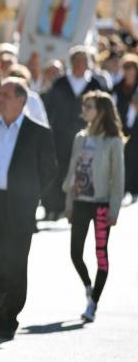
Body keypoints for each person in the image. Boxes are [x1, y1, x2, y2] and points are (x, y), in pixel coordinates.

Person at [0, 79, 57, 340]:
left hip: (18, 207)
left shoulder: (38, 131)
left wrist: (29, 196)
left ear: (21, 100)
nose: (1, 99)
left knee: (14, 263)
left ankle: (9, 318)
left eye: (7, 95)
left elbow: (49, 170)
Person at [63, 91, 124, 322]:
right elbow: (72, 171)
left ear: (101, 111)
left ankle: (94, 302)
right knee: (75, 253)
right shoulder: (80, 138)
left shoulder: (113, 141)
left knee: (101, 255)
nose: (84, 110)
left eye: (89, 107)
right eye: (84, 106)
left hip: (101, 206)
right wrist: (69, 203)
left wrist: (114, 210)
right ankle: (88, 286)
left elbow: (118, 179)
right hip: (80, 202)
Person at [42, 46, 107, 220]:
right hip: (61, 136)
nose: (80, 64)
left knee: (85, 170)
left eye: (84, 60)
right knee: (60, 169)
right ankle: (56, 207)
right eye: (77, 61)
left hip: (88, 135)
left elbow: (103, 110)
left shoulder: (95, 84)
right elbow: (50, 108)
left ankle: (81, 207)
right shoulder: (61, 82)